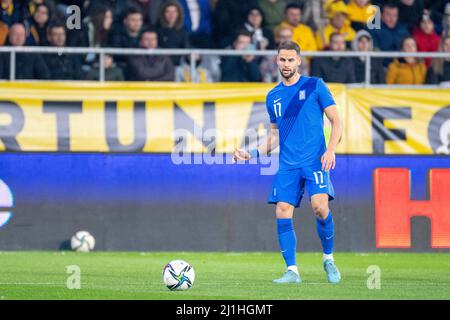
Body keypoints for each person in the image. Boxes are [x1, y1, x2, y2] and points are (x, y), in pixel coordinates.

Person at [233, 40, 342, 284]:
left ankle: (328, 259)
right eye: (282, 59)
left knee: (320, 207)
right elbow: (274, 136)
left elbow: (337, 120)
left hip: (315, 161)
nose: (286, 64)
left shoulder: (315, 85)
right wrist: (251, 154)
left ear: (299, 61)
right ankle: (292, 270)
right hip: (288, 164)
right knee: (282, 211)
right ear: (276, 60)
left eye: (291, 60)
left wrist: (331, 149)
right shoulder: (273, 96)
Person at [157, 0, 190, 65]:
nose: (171, 15)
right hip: (160, 65)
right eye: (168, 12)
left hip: (177, 66)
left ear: (179, 13)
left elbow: (187, 47)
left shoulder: (183, 31)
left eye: (174, 12)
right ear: (163, 13)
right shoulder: (157, 30)